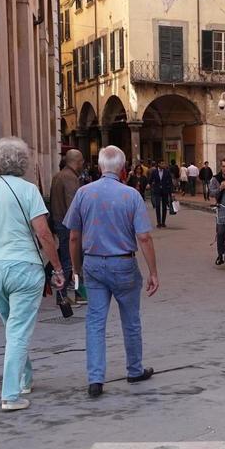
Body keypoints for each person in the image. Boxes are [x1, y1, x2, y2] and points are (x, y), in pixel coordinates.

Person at [0, 136, 64, 412]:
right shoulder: (29, 190)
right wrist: (58, 267)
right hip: (24, 268)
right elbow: (43, 233)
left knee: (13, 327)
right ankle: (11, 395)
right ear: (23, 163)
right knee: (18, 330)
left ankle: (25, 378)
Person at [66, 145, 160, 398]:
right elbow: (144, 237)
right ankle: (134, 369)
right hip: (123, 264)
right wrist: (153, 272)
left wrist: (76, 268)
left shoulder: (83, 193)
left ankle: (96, 379)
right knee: (131, 319)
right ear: (123, 168)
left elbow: (74, 236)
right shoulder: (131, 195)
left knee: (95, 322)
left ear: (99, 166)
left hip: (94, 263)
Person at [48, 149, 84, 300]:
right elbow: (72, 205)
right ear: (76, 162)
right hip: (68, 226)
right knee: (72, 261)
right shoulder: (70, 178)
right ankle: (66, 296)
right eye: (82, 161)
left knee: (67, 259)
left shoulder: (58, 176)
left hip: (59, 222)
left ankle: (76, 294)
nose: (83, 164)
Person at [148, 160, 174, 228]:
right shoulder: (154, 172)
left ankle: (163, 222)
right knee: (157, 205)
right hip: (157, 191)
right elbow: (150, 180)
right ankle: (158, 222)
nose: (164, 165)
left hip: (165, 191)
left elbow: (170, 182)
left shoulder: (167, 172)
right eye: (162, 163)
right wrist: (149, 184)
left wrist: (172, 192)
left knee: (164, 207)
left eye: (164, 163)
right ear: (158, 164)